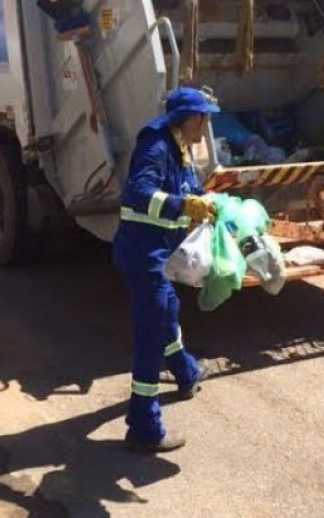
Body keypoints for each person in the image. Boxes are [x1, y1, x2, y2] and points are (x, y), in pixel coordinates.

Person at [113, 87, 219, 453]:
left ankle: (186, 372)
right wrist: (182, 205)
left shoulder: (180, 147)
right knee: (151, 336)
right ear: (190, 118)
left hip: (158, 254)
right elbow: (139, 193)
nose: (206, 125)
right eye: (204, 118)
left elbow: (189, 189)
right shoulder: (156, 146)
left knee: (168, 310)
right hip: (142, 256)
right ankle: (144, 426)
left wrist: (206, 200)